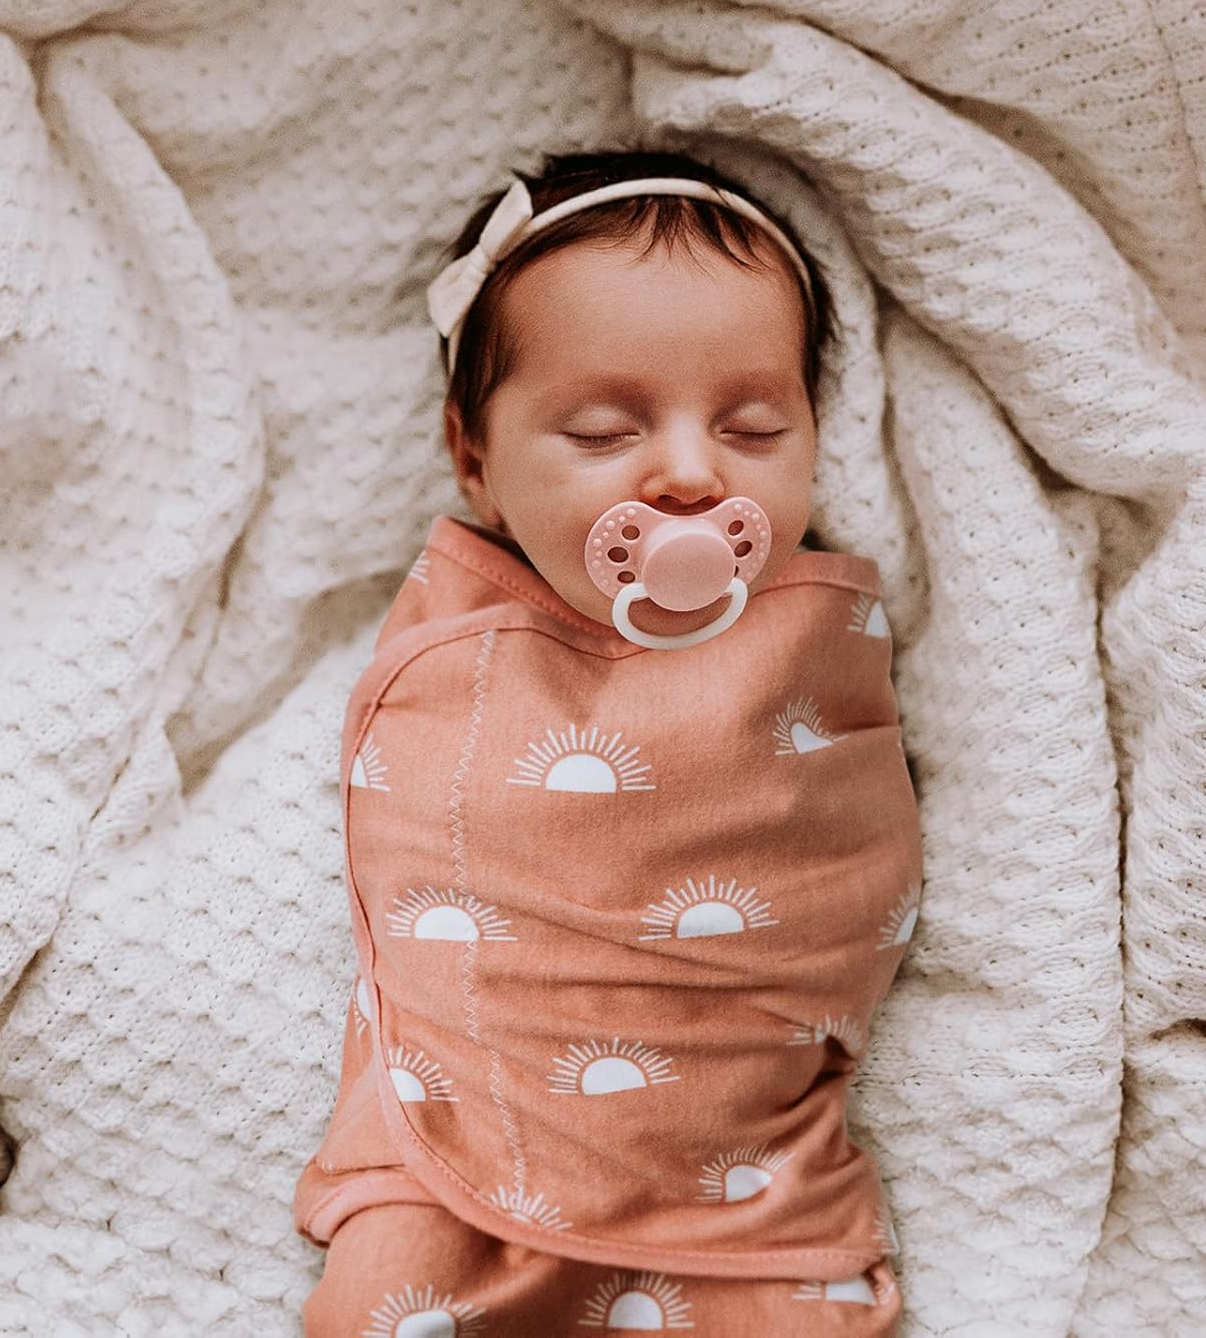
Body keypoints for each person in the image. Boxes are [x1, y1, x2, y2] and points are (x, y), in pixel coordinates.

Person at [295, 145, 921, 1334]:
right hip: (461, 1147)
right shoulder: (459, 637)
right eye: (599, 431)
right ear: (475, 461)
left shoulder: (824, 642)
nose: (688, 474)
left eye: (753, 427)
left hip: (757, 1191)